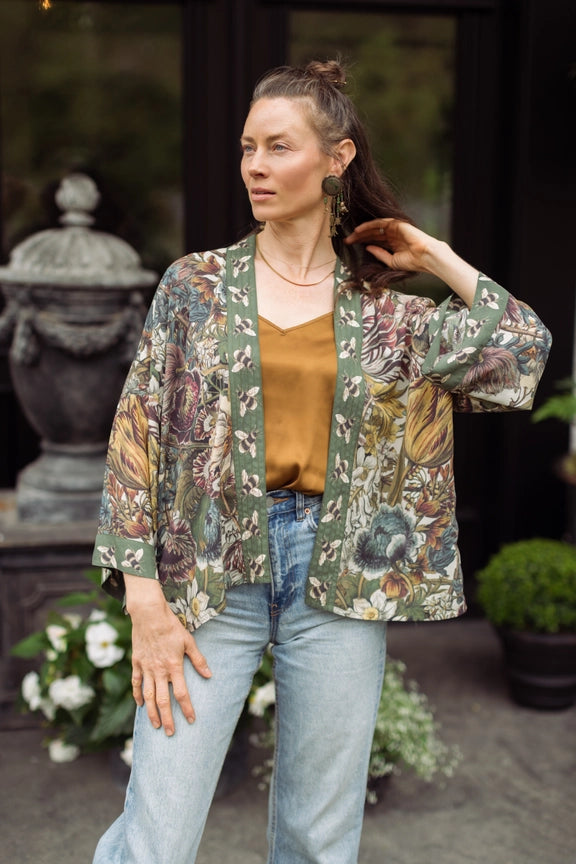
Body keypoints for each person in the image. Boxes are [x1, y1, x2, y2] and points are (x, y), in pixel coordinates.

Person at [92, 60, 551, 864]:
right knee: (157, 833)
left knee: (317, 836)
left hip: (337, 580)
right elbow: (139, 434)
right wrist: (144, 601)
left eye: (279, 147)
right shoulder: (196, 286)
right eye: (248, 148)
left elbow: (521, 350)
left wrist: (434, 254)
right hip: (211, 573)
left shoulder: (389, 314)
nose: (256, 166)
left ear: (337, 159)